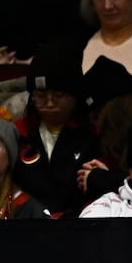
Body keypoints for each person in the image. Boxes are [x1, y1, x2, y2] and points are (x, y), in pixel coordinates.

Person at [14, 38, 101, 218]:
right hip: (24, 224)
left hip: (80, 224)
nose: (50, 103)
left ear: (75, 96)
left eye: (59, 95)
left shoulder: (93, 135)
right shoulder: (17, 133)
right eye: (41, 95)